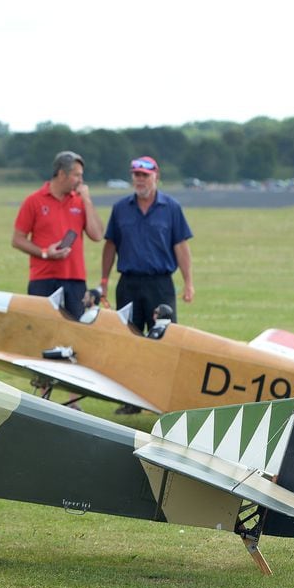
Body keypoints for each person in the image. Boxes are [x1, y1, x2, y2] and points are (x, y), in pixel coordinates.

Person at [100, 156, 194, 414]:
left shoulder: (171, 208)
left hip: (160, 284)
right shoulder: (121, 208)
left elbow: (181, 247)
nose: (140, 180)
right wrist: (104, 281)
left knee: (164, 341)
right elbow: (110, 246)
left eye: (145, 175)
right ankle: (131, 400)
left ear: (156, 176)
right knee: (129, 341)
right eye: (136, 175)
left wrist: (188, 283)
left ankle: (164, 399)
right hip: (128, 283)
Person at [12, 151, 103, 319]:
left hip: (75, 279)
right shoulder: (34, 201)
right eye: (77, 175)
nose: (81, 180)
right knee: (41, 329)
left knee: (75, 331)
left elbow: (97, 235)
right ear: (62, 174)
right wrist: (46, 253)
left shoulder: (80, 201)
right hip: (43, 278)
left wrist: (87, 201)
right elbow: (17, 240)